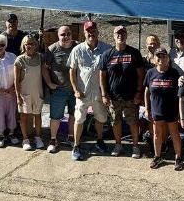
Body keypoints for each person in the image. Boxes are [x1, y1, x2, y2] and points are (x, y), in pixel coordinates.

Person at [67, 21, 111, 161]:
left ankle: (99, 140)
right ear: (84, 33)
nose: (91, 33)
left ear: (98, 32)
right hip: (82, 92)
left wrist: (107, 92)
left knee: (101, 118)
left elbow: (110, 72)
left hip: (99, 93)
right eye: (88, 31)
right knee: (79, 119)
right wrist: (75, 90)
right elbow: (72, 71)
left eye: (93, 31)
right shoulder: (77, 50)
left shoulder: (107, 49)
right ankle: (76, 145)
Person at [100, 25, 145, 159]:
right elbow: (102, 75)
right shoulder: (107, 54)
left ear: (126, 35)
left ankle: (136, 146)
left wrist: (138, 92)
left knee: (133, 121)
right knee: (116, 122)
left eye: (123, 33)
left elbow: (140, 75)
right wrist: (104, 94)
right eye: (117, 34)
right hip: (113, 96)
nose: (120, 36)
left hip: (131, 96)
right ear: (114, 36)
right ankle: (118, 144)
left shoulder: (134, 53)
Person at [144, 47, 184, 170]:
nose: (161, 59)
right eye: (158, 56)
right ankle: (157, 156)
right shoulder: (150, 73)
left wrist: (179, 112)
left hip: (171, 110)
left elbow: (180, 93)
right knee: (157, 134)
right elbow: (146, 92)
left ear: (168, 58)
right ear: (154, 59)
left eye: (164, 56)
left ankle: (178, 158)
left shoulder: (174, 73)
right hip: (156, 110)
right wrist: (147, 109)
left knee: (175, 134)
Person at [42, 25, 77, 154]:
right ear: (58, 35)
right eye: (63, 34)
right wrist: (49, 83)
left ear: (71, 35)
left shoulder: (77, 47)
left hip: (75, 90)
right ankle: (53, 140)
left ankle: (71, 136)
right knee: (55, 117)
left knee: (74, 115)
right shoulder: (52, 49)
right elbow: (44, 68)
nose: (65, 37)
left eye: (68, 34)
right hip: (58, 90)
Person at [14, 34, 44, 151]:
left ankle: (37, 137)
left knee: (38, 115)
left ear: (36, 45)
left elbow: (44, 73)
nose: (29, 46)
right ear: (24, 46)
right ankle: (25, 139)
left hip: (38, 92)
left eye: (32, 43)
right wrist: (18, 96)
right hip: (24, 93)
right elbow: (16, 80)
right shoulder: (19, 60)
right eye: (27, 44)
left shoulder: (40, 57)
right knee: (24, 116)